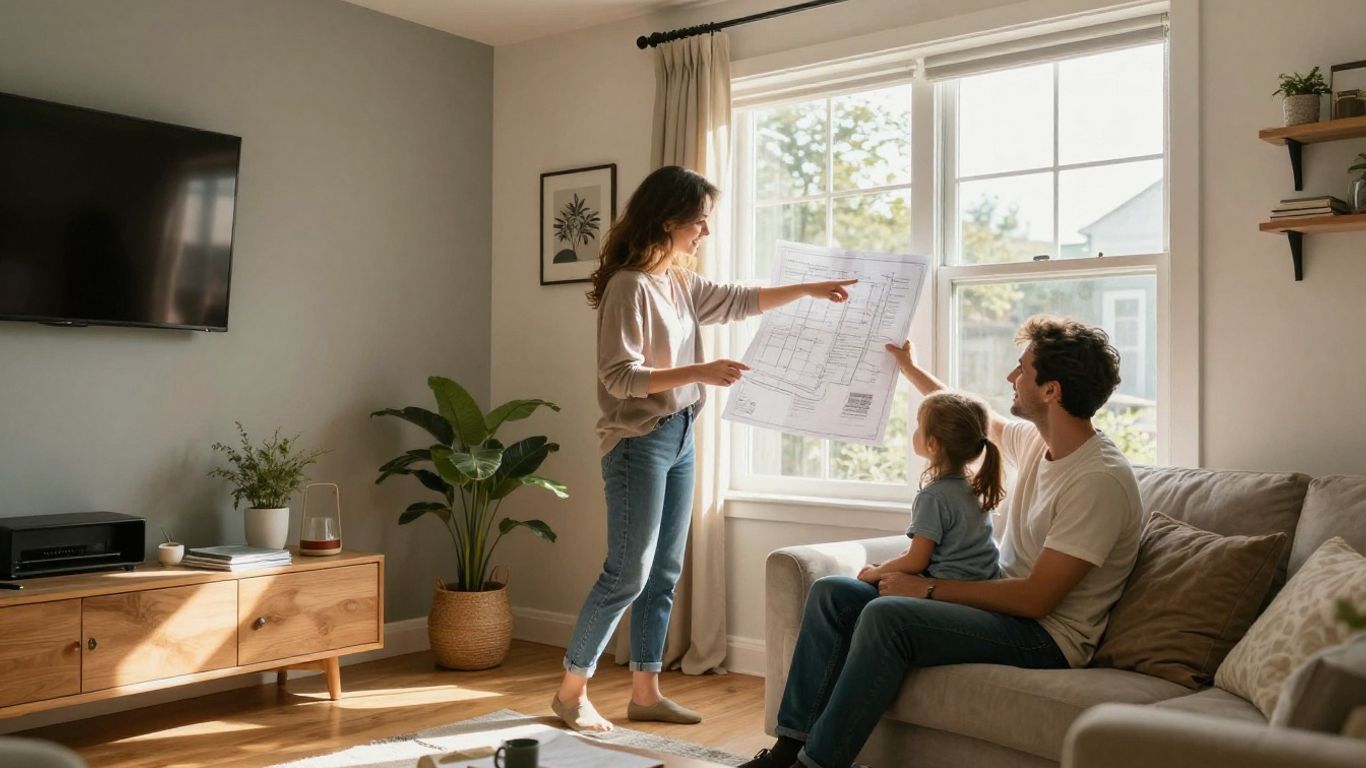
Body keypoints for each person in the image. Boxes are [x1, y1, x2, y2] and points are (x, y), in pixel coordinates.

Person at [744, 316, 1143, 768]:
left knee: (888, 617)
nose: (1010, 377)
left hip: (1046, 637)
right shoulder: (1038, 441)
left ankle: (815, 766)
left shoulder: (1098, 479)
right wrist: (910, 369)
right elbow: (970, 419)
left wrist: (927, 589)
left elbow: (1037, 600)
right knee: (832, 593)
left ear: (1051, 390)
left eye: (1022, 369)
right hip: (999, 606)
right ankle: (786, 751)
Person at [553, 165, 858, 734]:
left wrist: (809, 289)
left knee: (664, 572)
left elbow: (743, 300)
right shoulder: (629, 287)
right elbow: (620, 377)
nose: (706, 232)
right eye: (699, 221)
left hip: (681, 434)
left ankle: (646, 692)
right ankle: (572, 692)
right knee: (627, 572)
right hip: (638, 442)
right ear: (667, 220)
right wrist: (701, 370)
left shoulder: (679, 282)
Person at [856, 390, 1004, 585]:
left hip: (947, 588)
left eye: (919, 426)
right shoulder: (975, 488)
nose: (915, 431)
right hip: (981, 587)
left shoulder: (933, 497)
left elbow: (916, 561)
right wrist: (886, 567)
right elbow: (924, 550)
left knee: (836, 587)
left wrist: (876, 573)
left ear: (932, 444)